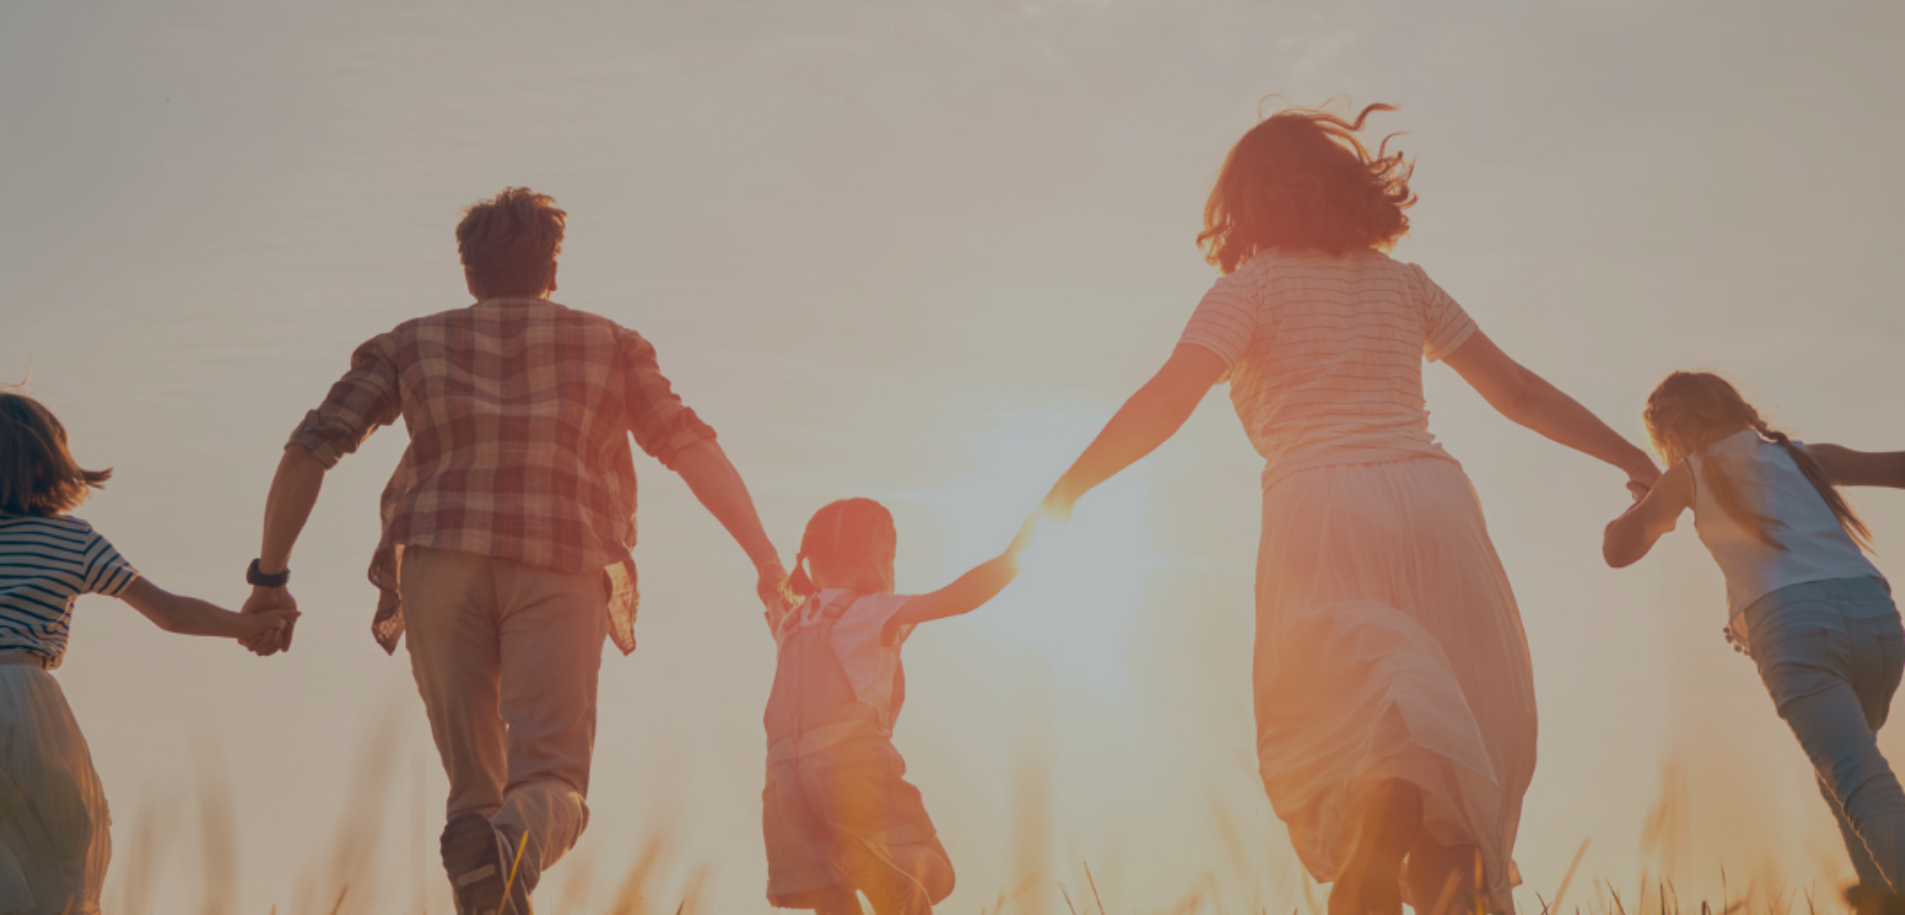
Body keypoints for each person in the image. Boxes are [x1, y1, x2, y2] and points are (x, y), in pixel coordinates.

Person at [1031, 103, 1659, 915]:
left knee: (1357, 720)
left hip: (1321, 505)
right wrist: (1631, 458)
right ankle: (1428, 851)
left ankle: (1381, 812)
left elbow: (1164, 401)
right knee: (1451, 743)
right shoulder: (1406, 286)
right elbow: (1516, 392)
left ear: (1243, 205)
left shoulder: (1247, 290)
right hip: (1437, 506)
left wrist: (1065, 491)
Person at [243, 188, 786, 915]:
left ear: (469, 273)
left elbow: (312, 446)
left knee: (475, 797)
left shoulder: (408, 343)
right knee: (552, 782)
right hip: (560, 556)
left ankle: (493, 858)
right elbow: (689, 445)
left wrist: (270, 576)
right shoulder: (611, 342)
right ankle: (507, 846)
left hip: (439, 560)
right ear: (551, 269)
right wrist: (766, 560)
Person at [1604, 371, 1905, 905]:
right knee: (1844, 775)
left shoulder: (1687, 474)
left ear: (1670, 436)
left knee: (1860, 782)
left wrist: (1645, 497)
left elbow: (1617, 549)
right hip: (1877, 623)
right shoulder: (1802, 457)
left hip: (1795, 628)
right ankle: (1883, 903)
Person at [0, 392, 294, 915]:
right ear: (44, 462)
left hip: (27, 696)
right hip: (26, 700)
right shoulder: (72, 540)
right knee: (56, 853)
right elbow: (170, 612)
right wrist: (249, 626)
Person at [761, 498, 1027, 914]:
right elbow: (962, 597)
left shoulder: (791, 623)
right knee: (933, 872)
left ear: (810, 562)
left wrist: (768, 573)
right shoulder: (873, 610)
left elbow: (770, 594)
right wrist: (1024, 547)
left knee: (828, 893)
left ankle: (868, 870)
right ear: (883, 558)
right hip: (849, 763)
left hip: (784, 781)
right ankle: (883, 868)